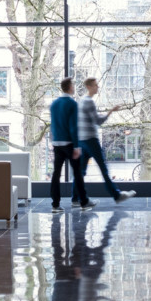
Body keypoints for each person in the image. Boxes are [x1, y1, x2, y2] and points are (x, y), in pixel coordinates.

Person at [76, 77, 135, 206]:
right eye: (96, 85)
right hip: (91, 140)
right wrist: (111, 112)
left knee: (81, 172)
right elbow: (98, 121)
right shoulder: (89, 102)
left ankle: (77, 199)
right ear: (89, 87)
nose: (98, 87)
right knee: (103, 169)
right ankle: (117, 195)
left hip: (82, 141)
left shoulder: (81, 101)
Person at [48, 77, 87, 210]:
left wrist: (53, 140)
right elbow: (73, 127)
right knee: (77, 172)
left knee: (56, 174)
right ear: (70, 87)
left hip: (57, 143)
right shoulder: (72, 104)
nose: (74, 87)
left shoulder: (54, 104)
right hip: (69, 143)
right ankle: (84, 202)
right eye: (73, 85)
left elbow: (53, 125)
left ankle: (55, 205)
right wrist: (77, 146)